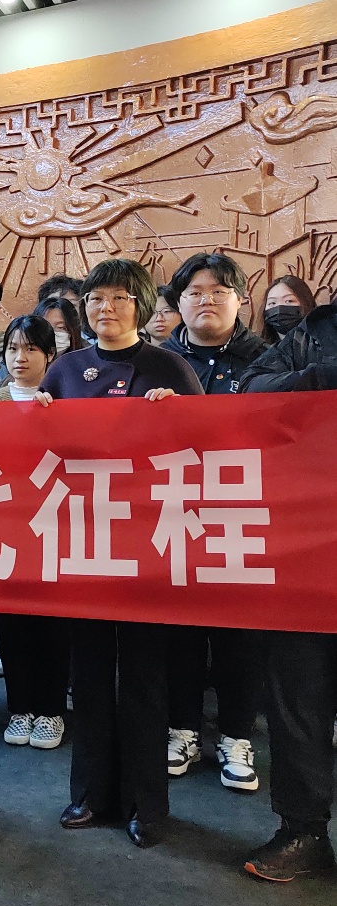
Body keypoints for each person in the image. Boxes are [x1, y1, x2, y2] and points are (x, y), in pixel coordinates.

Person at [41, 258, 202, 848]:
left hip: (145, 543)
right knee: (87, 672)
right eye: (94, 299)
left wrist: (177, 416)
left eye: (118, 298)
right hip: (83, 540)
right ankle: (90, 794)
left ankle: (147, 804)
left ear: (141, 305)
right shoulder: (65, 369)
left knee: (142, 675)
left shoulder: (168, 365)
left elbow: (207, 444)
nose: (104, 308)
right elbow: (40, 449)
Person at [159, 252, 269, 790]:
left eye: (219, 291)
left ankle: (235, 735)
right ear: (178, 303)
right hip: (174, 509)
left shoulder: (268, 359)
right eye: (195, 292)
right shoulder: (156, 361)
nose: (206, 301)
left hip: (242, 511)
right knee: (179, 629)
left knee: (238, 632)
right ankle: (182, 728)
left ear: (240, 300)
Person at [240, 301, 337, 881]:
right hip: (307, 555)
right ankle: (303, 831)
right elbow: (253, 389)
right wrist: (318, 378)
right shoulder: (315, 332)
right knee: (298, 703)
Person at [0, 315, 70, 749]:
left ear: (50, 355)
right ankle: (20, 708)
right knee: (11, 624)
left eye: (31, 349)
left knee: (52, 623)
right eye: (13, 348)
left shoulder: (66, 401)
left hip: (55, 528)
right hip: (5, 528)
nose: (20, 357)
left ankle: (51, 710)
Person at [260, 275, 316, 346]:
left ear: (306, 303)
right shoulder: (259, 348)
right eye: (272, 303)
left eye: (289, 301)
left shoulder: (322, 347)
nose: (279, 308)